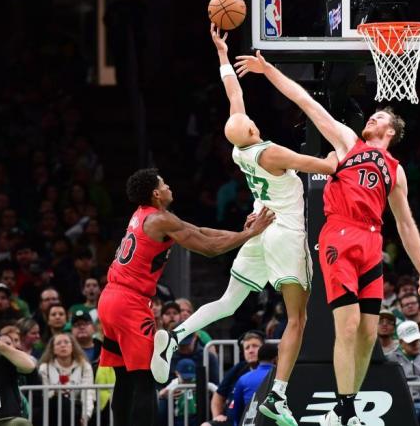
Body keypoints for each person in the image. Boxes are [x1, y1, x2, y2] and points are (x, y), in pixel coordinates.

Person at [236, 47, 420, 426]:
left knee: (367, 333)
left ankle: (345, 405)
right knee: (346, 326)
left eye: (378, 117)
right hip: (339, 236)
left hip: (372, 242)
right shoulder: (348, 143)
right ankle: (345, 411)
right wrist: (267, 70)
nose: (371, 117)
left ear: (389, 131)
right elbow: (306, 101)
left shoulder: (396, 171)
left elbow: (406, 223)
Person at [151, 25, 338, 426]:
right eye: (250, 121)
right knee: (298, 319)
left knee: (229, 301)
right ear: (253, 130)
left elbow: (234, 95)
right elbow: (324, 165)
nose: (249, 117)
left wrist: (222, 55)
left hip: (260, 229)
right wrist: (348, 147)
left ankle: (175, 337)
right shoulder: (271, 153)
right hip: (285, 233)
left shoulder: (239, 151)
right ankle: (280, 396)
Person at [97, 167, 274, 426]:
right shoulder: (160, 220)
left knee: (124, 377)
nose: (170, 186)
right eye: (164, 183)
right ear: (156, 193)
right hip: (129, 302)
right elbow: (209, 248)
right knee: (146, 378)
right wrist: (249, 235)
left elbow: (201, 231)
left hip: (110, 298)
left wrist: (244, 232)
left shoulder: (145, 215)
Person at [202, 331, 264, 426]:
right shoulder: (238, 368)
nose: (251, 350)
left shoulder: (271, 370)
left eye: (255, 346)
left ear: (263, 349)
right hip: (230, 421)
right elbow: (218, 396)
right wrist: (217, 416)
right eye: (247, 348)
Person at [38, 333, 95, 426]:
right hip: (52, 408)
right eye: (58, 343)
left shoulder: (84, 366)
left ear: (73, 347)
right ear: (53, 349)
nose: (63, 345)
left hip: (76, 407)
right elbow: (44, 394)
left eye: (66, 342)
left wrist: (86, 415)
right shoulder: (45, 368)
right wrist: (54, 393)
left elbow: (88, 393)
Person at [230, 343, 278, 426]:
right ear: (276, 358)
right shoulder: (281, 377)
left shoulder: (243, 379)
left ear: (258, 358)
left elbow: (237, 412)